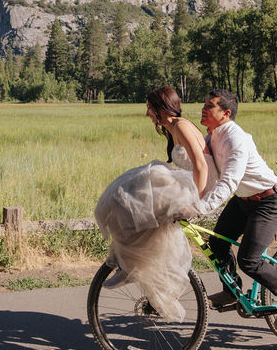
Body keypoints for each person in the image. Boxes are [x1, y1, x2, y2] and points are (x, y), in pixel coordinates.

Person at [93, 86, 218, 321]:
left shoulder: (181, 125)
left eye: (150, 109)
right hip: (187, 184)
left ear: (161, 108)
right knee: (129, 202)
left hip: (198, 187)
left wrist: (196, 202)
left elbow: (201, 166)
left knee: (135, 200)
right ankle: (129, 265)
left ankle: (131, 266)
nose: (148, 114)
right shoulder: (172, 128)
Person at [198, 89, 277, 329]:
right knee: (217, 244)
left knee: (249, 260)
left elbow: (229, 181)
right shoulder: (212, 135)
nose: (203, 110)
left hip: (268, 202)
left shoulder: (236, 139)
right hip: (243, 201)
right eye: (204, 105)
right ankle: (231, 291)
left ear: (226, 113)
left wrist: (201, 207)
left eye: (210, 106)